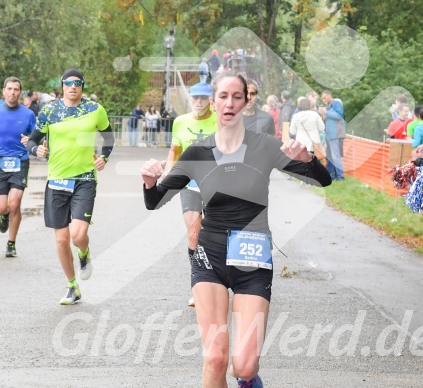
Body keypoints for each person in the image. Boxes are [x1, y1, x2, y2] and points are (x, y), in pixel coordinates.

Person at [141, 70, 331, 387]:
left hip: (252, 260)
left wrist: (307, 159)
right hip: (209, 258)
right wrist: (149, 184)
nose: (230, 103)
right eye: (223, 96)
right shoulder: (198, 152)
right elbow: (155, 200)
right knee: (215, 358)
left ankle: (248, 379)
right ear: (214, 103)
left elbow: (322, 180)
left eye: (237, 96)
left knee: (243, 366)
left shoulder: (265, 146)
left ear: (245, 102)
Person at [25, 68, 114, 305]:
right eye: (69, 83)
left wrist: (103, 157)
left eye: (78, 83)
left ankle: (84, 253)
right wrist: (37, 150)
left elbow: (109, 137)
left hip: (85, 178)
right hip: (56, 180)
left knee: (78, 235)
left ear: (82, 86)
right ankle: (72, 286)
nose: (73, 86)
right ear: (63, 85)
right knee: (62, 240)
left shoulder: (95, 110)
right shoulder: (49, 111)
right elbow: (32, 140)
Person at [164, 82, 218, 307]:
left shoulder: (222, 120)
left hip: (217, 184)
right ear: (190, 99)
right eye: (195, 98)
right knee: (194, 232)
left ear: (211, 100)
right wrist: (168, 174)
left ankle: (218, 280)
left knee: (216, 234)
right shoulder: (180, 122)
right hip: (190, 184)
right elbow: (174, 151)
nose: (198, 102)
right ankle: (198, 286)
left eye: (203, 98)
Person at [0, 77, 36, 257]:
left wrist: (32, 141)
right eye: (9, 89)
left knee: (15, 202)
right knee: (0, 208)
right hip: (0, 163)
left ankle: (11, 243)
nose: (12, 92)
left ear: (20, 92)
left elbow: (37, 137)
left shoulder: (28, 114)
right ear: (3, 91)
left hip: (20, 161)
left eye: (16, 89)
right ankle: (3, 216)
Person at [319, 90, 345, 180]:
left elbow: (339, 116)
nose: (324, 100)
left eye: (325, 97)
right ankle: (330, 175)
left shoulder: (336, 103)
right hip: (328, 134)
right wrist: (324, 116)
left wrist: (326, 112)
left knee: (335, 156)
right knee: (329, 156)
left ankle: (340, 177)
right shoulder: (328, 106)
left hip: (335, 134)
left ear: (329, 95)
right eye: (322, 98)